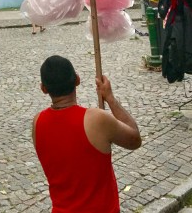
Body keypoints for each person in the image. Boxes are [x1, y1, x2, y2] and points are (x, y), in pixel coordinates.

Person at [33, 55, 141, 212]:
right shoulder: (96, 119)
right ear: (77, 79)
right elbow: (135, 139)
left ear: (43, 89)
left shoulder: (37, 123)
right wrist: (110, 98)